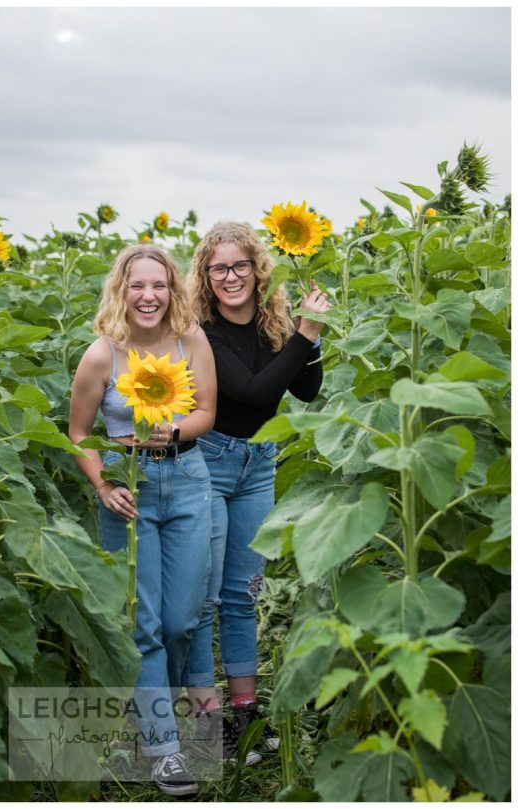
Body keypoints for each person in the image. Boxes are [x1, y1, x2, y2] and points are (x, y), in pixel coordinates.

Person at [68, 243, 217, 795]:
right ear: (121, 291)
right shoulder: (102, 355)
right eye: (137, 285)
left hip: (185, 481)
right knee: (143, 623)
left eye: (159, 285)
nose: (148, 296)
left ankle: (152, 707)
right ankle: (163, 746)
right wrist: (103, 484)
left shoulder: (191, 340)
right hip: (127, 491)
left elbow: (206, 410)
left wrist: (173, 431)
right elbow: (79, 433)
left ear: (172, 290)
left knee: (182, 619)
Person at [184, 221, 328, 764]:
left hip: (259, 464)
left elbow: (307, 391)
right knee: (205, 595)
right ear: (206, 276)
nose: (229, 277)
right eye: (217, 268)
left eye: (239, 265)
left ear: (257, 269)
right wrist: (306, 335)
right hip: (210, 461)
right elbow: (250, 391)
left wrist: (308, 335)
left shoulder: (276, 324)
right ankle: (207, 720)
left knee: (245, 591)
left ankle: (245, 710)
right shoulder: (204, 331)